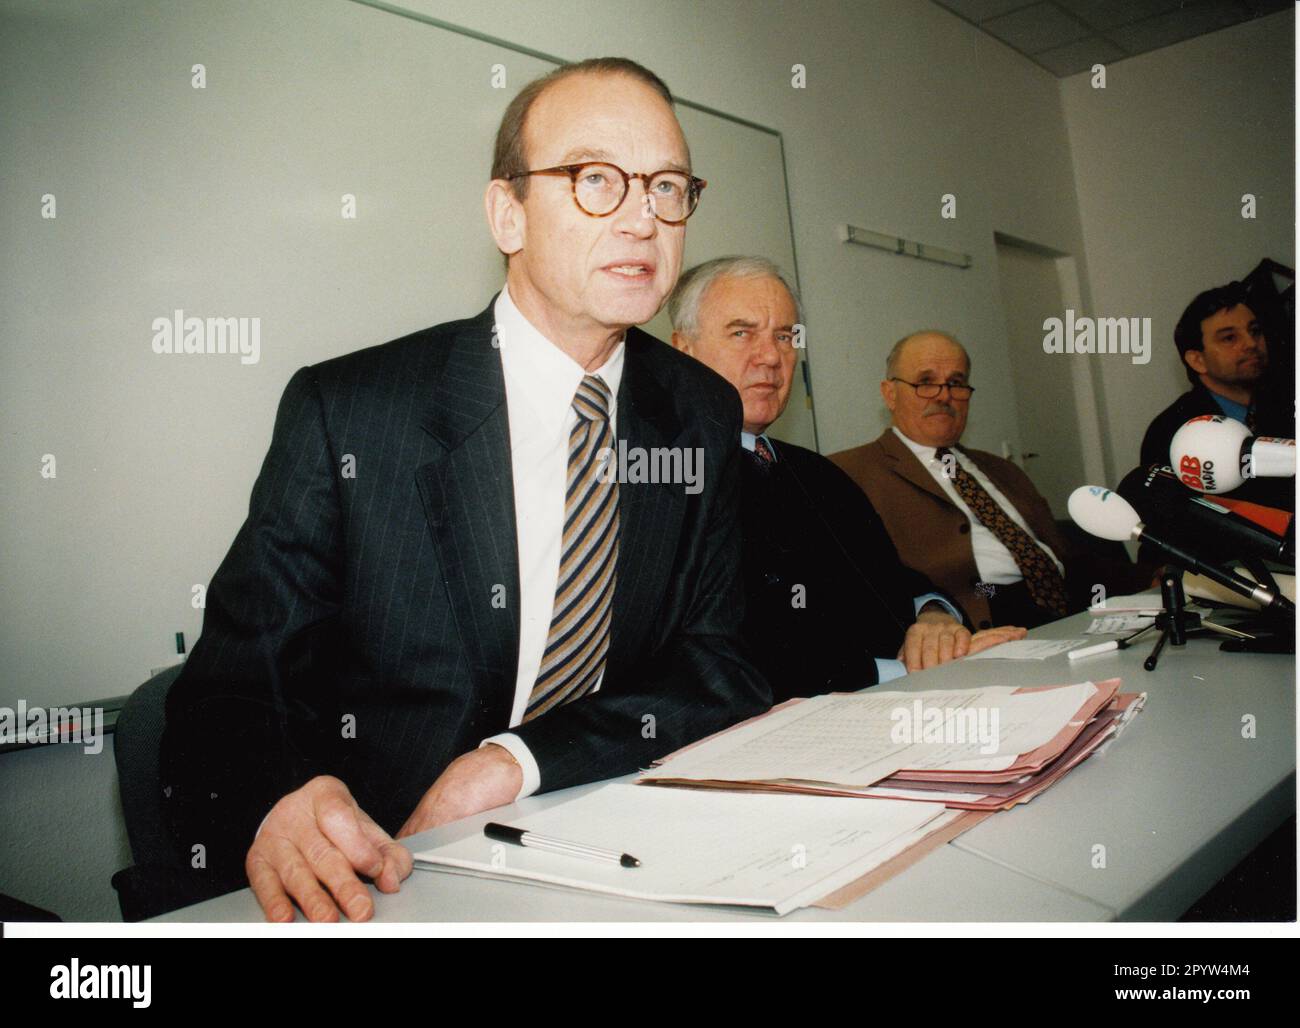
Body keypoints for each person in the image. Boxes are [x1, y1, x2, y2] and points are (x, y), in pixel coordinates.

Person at [159, 58, 770, 922]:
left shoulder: (697, 407)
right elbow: (229, 690)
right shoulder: (352, 411)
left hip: (610, 836)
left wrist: (517, 761)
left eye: (669, 186)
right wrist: (281, 799)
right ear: (507, 213)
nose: (643, 216)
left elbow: (719, 666)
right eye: (598, 179)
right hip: (382, 873)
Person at [668, 258, 1024, 701]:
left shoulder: (816, 472)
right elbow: (739, 657)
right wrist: (910, 672)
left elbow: (892, 578)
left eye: (784, 336)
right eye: (742, 333)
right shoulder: (668, 480)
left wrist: (933, 617)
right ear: (682, 352)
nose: (770, 357)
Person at [830, 331, 1073, 631]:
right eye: (926, 382)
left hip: (1069, 604)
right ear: (890, 393)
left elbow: (1069, 556)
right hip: (976, 611)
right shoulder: (848, 472)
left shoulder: (1003, 470)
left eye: (956, 383)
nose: (944, 396)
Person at [1140, 281, 1294, 511]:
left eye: (1254, 331)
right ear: (1197, 360)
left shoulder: (1287, 402)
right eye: (1229, 338)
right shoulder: (1172, 431)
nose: (1251, 344)